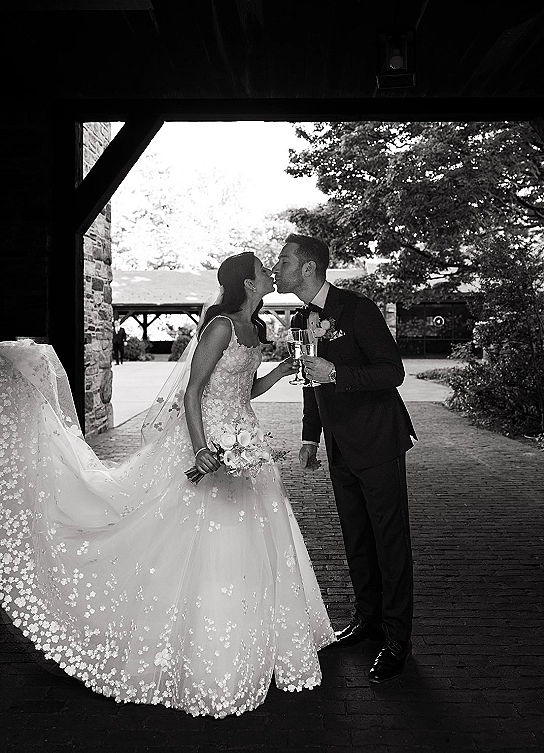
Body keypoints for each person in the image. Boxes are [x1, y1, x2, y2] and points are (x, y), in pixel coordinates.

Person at [0, 252, 335, 719]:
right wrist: (202, 448)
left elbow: (244, 390)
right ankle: (197, 654)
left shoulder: (255, 329)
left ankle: (257, 643)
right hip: (208, 440)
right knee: (198, 539)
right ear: (247, 281)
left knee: (258, 543)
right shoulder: (220, 326)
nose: (269, 273)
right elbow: (193, 391)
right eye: (262, 269)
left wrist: (282, 370)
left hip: (244, 440)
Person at [272, 234, 416, 683]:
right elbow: (310, 379)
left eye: (284, 260)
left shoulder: (358, 310)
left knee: (389, 542)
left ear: (309, 267)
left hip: (377, 442)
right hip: (338, 446)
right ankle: (367, 619)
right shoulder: (300, 318)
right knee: (356, 538)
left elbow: (393, 371)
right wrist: (310, 437)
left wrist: (338, 371)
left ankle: (397, 640)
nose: (277, 268)